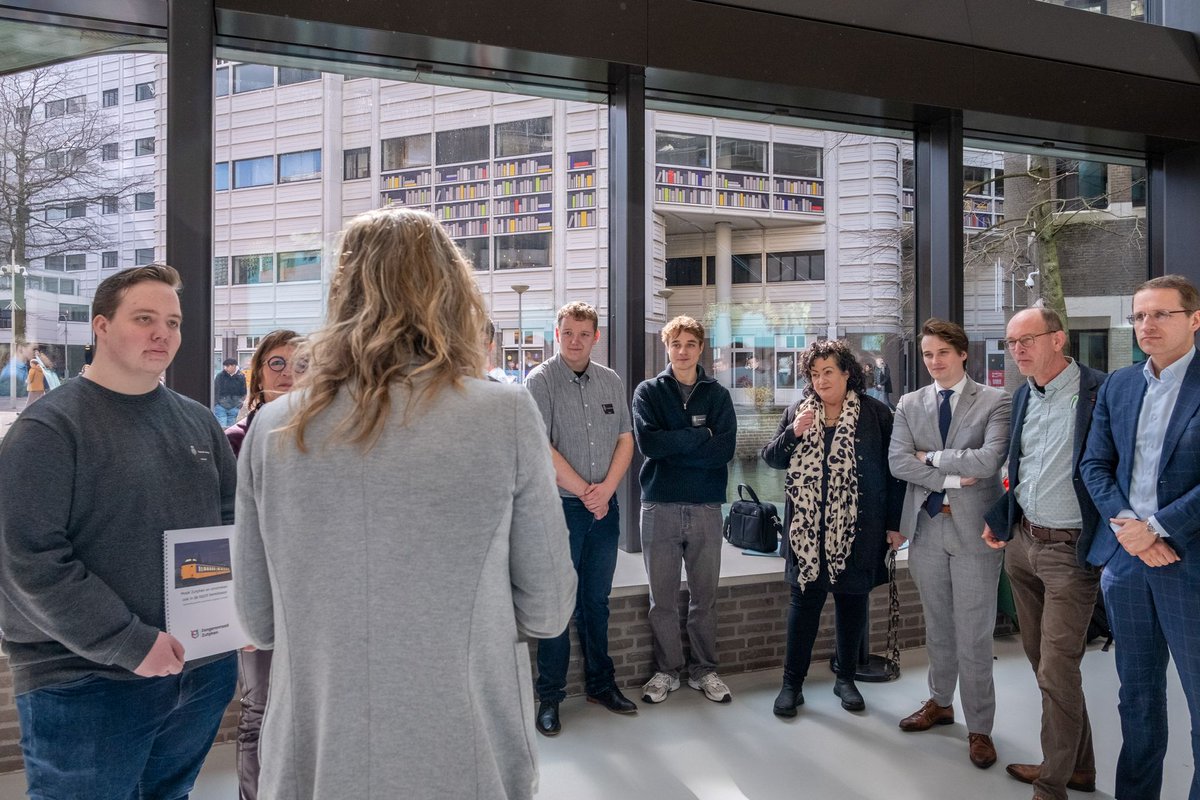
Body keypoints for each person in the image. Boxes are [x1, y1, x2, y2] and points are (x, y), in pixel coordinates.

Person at [233, 208, 575, 799]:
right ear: (451, 291)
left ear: (342, 293)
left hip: (313, 758)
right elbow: (547, 608)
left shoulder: (273, 428)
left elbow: (257, 621)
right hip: (463, 748)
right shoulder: (504, 415)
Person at [0, 264, 239, 799]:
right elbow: (29, 563)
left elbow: (230, 526)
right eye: (145, 318)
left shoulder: (199, 422)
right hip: (85, 682)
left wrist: (231, 622)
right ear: (101, 327)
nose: (163, 334)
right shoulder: (48, 430)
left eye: (173, 323)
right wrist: (130, 644)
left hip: (199, 672)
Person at [1080, 274, 1200, 800]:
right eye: (1139, 316)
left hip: (1189, 563)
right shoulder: (1120, 385)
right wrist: (1130, 529)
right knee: (1139, 699)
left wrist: (1156, 528)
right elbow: (1094, 464)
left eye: (1160, 314)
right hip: (1128, 567)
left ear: (1194, 319)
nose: (1146, 325)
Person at [982, 307, 1105, 800]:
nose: (1018, 351)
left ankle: (1052, 786)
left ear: (1059, 339)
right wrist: (1002, 520)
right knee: (1042, 664)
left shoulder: (1100, 392)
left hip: (1071, 552)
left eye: (1027, 340)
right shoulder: (1024, 397)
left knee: (1057, 668)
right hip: (1024, 543)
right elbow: (1024, 470)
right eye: (1012, 343)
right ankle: (1078, 767)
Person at [888, 318, 1010, 769]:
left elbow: (991, 458)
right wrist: (958, 475)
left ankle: (980, 727)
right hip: (926, 528)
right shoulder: (909, 403)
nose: (934, 361)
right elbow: (899, 462)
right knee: (937, 624)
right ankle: (940, 703)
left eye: (942, 352)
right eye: (927, 354)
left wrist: (933, 459)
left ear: (962, 353)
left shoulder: (996, 400)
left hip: (976, 531)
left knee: (974, 634)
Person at [761, 339, 904, 717]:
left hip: (858, 529)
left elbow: (894, 476)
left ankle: (846, 679)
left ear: (846, 374)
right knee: (803, 605)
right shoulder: (798, 410)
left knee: (851, 601)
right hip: (806, 533)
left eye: (829, 372)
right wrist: (793, 432)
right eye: (815, 373)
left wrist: (894, 525)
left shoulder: (875, 414)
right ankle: (792, 684)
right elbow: (771, 459)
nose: (821, 380)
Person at [525, 300, 637, 735]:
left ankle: (601, 685)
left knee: (596, 602)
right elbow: (541, 447)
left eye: (583, 334)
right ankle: (549, 698)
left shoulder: (610, 381)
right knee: (558, 603)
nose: (575, 341)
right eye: (568, 333)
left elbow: (626, 439)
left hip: (603, 508)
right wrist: (585, 492)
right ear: (557, 334)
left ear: (596, 337)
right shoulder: (540, 381)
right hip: (560, 508)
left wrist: (605, 490)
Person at [632, 315, 737, 705]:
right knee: (661, 598)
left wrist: (678, 446)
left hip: (706, 507)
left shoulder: (718, 395)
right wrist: (701, 437)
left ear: (701, 348)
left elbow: (723, 452)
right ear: (667, 347)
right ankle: (666, 672)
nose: (682, 350)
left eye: (690, 343)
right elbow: (650, 446)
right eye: (676, 343)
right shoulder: (648, 392)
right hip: (659, 505)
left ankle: (704, 670)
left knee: (704, 597)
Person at [223, 328, 302, 800]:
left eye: (302, 364)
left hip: (311, 601)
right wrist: (242, 612)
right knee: (259, 712)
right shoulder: (234, 441)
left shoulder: (331, 442)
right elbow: (227, 533)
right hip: (258, 598)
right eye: (278, 363)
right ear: (257, 376)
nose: (290, 373)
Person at [214, 356, 247, 426]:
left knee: (230, 430)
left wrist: (239, 405)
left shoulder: (241, 376)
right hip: (220, 406)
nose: (225, 368)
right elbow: (215, 389)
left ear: (234, 366)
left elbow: (244, 392)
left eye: (227, 366)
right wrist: (216, 404)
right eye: (224, 366)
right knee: (222, 428)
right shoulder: (220, 376)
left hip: (234, 407)